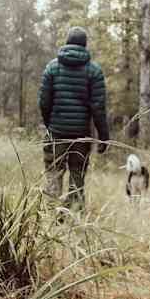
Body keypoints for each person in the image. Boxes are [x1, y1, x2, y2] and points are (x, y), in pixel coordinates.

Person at [38, 26, 109, 210]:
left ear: (67, 42)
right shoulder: (94, 71)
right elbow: (98, 107)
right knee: (77, 176)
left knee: (54, 175)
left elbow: (44, 102)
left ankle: (52, 219)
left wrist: (50, 125)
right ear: (85, 45)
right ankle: (74, 219)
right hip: (81, 136)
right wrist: (103, 136)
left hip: (56, 132)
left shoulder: (52, 67)